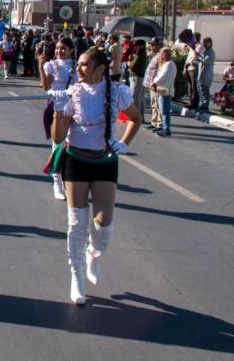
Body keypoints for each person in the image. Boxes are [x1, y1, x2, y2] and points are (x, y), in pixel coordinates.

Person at [50, 48, 141, 305]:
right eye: (78, 64)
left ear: (100, 68)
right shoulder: (73, 93)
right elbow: (58, 137)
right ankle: (76, 275)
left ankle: (94, 253)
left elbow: (135, 119)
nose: (78, 69)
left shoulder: (118, 92)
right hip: (76, 162)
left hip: (104, 162)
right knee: (77, 224)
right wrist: (58, 109)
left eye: (84, 65)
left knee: (103, 226)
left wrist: (124, 143)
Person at [40, 37, 77, 200]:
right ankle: (57, 182)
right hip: (57, 109)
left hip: (75, 109)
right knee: (58, 145)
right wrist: (41, 66)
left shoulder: (77, 66)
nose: (59, 51)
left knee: (73, 144)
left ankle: (68, 179)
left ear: (71, 50)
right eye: (57, 48)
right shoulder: (52, 65)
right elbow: (46, 86)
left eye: (63, 48)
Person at [150, 48, 177, 137]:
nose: (161, 56)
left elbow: (162, 77)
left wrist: (154, 83)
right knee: (161, 110)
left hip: (166, 90)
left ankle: (166, 129)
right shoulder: (166, 64)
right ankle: (162, 126)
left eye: (162, 54)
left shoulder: (169, 65)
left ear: (167, 54)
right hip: (161, 89)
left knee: (165, 111)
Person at [143, 38, 163, 131]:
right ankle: (154, 122)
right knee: (154, 104)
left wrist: (155, 83)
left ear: (159, 45)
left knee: (158, 105)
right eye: (151, 44)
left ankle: (159, 124)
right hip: (152, 84)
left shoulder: (161, 56)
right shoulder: (156, 55)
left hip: (156, 84)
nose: (151, 46)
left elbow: (160, 72)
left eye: (153, 45)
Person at [127, 39, 148, 118]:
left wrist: (129, 62)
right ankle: (140, 117)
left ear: (141, 46)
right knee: (139, 98)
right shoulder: (140, 54)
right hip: (139, 77)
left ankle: (136, 117)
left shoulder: (140, 55)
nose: (135, 47)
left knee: (135, 98)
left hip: (137, 77)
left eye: (136, 45)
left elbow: (133, 66)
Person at [197, 37, 216, 112]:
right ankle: (203, 104)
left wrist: (198, 56)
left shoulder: (211, 52)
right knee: (200, 90)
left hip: (206, 75)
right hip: (201, 74)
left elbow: (205, 61)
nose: (204, 44)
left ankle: (205, 106)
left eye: (206, 42)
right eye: (204, 42)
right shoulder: (205, 51)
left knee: (204, 91)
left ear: (210, 43)